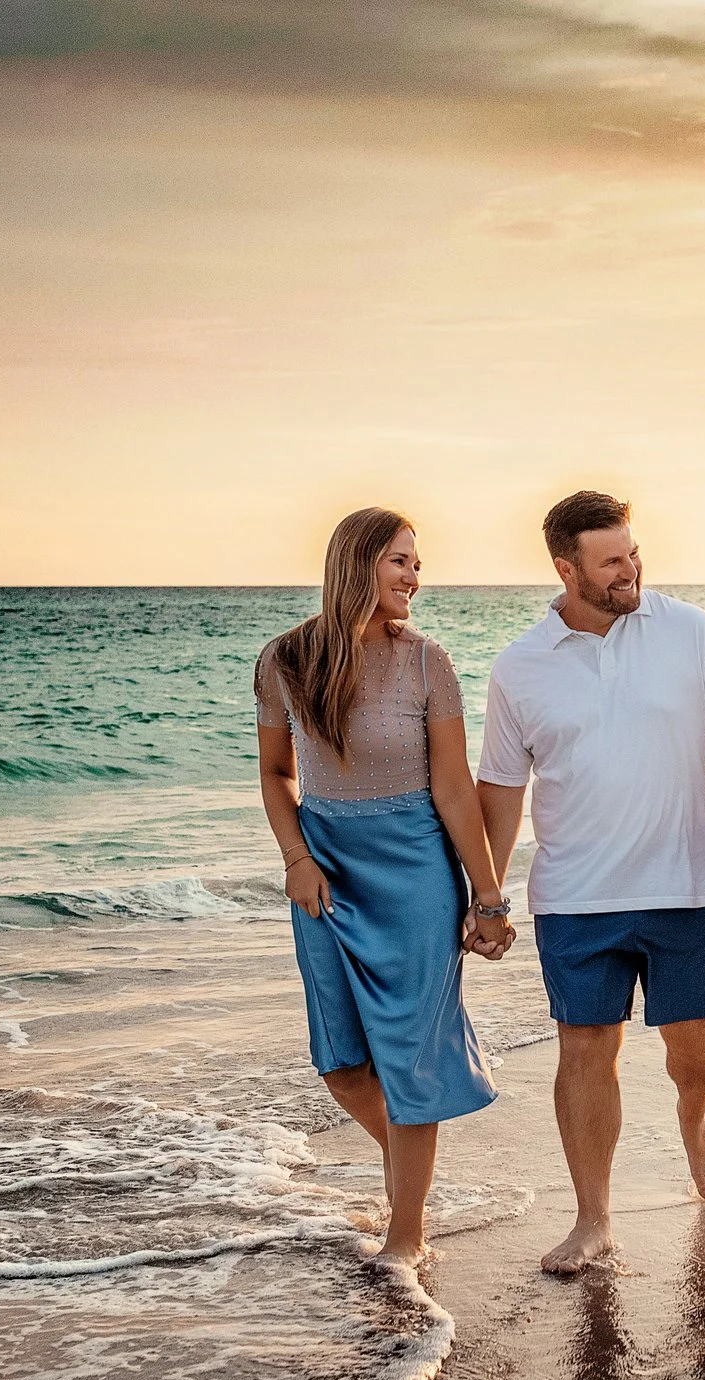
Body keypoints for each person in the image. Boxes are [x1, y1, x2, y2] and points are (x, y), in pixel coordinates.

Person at [477, 490, 705, 1276]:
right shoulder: (520, 667)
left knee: (695, 1047)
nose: (631, 569)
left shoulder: (689, 631)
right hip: (575, 895)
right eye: (610, 561)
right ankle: (593, 1216)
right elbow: (501, 789)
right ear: (566, 569)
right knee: (585, 1050)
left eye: (633, 552)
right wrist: (488, 891)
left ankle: (693, 1117)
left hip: (688, 883)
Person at [257, 507, 512, 1270]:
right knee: (341, 1062)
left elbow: (455, 788)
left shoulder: (429, 662)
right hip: (325, 871)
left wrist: (489, 895)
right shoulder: (285, 660)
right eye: (400, 561)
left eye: (416, 562)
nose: (414, 576)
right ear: (358, 564)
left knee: (412, 1058)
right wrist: (296, 858)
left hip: (414, 873)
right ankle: (410, 1171)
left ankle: (408, 1231)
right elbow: (276, 774)